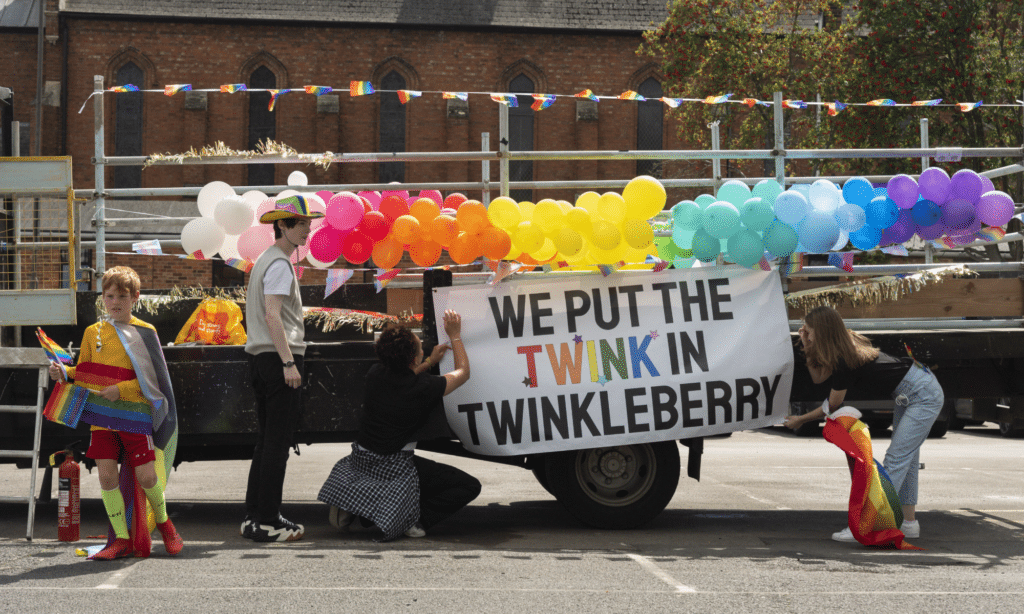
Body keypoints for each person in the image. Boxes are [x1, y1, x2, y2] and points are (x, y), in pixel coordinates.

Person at [48, 266, 182, 560]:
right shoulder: (92, 332)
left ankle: (164, 523)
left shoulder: (147, 332)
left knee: (148, 477)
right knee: (107, 477)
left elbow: (154, 382)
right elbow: (84, 372)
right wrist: (63, 373)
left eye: (122, 295)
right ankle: (120, 539)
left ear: (135, 297)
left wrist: (121, 390)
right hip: (101, 418)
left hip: (135, 414)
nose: (115, 301)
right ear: (103, 299)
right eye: (109, 296)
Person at [783, 305, 944, 542]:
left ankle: (866, 525)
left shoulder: (843, 359)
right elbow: (819, 378)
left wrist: (801, 419)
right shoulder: (841, 348)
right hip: (910, 392)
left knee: (896, 459)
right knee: (907, 462)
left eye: (809, 331)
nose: (806, 333)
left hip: (923, 393)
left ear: (823, 331)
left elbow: (833, 405)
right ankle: (909, 524)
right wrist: (806, 345)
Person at [318, 309, 480, 541]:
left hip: (362, 460)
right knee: (469, 486)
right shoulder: (422, 388)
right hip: (393, 465)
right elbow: (463, 373)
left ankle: (362, 508)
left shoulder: (376, 373)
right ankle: (411, 520)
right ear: (413, 358)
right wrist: (455, 335)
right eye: (420, 347)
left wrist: (428, 362)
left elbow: (407, 375)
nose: (423, 348)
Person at [241, 195, 323, 542]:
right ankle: (268, 519)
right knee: (277, 443)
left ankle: (255, 517)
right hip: (278, 359)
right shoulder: (278, 264)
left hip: (263, 358)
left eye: (307, 223)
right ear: (283, 226)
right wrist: (289, 362)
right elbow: (273, 315)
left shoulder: (266, 260)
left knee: (266, 442)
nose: (307, 230)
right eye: (301, 224)